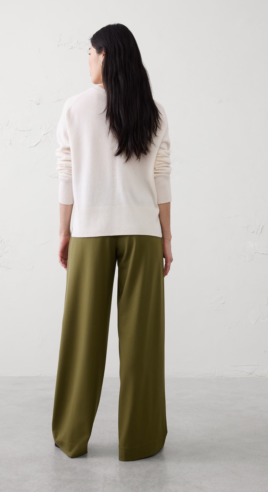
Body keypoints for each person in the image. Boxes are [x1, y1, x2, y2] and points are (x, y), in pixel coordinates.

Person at [52, 23, 173, 462]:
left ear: (104, 55)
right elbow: (161, 175)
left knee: (82, 337)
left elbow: (66, 174)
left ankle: (71, 434)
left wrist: (64, 231)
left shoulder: (75, 107)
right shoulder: (153, 110)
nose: (87, 60)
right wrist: (167, 237)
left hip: (89, 230)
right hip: (143, 232)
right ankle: (140, 441)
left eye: (90, 52)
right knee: (143, 341)